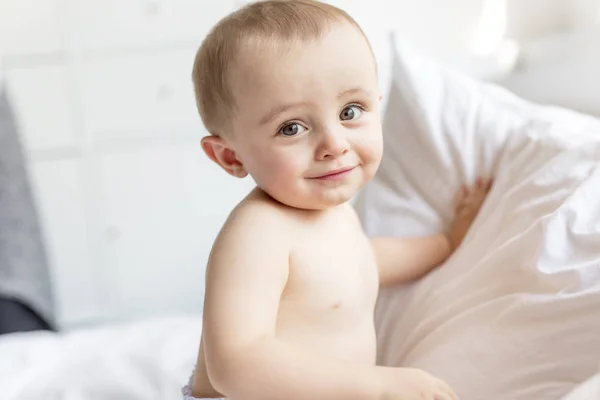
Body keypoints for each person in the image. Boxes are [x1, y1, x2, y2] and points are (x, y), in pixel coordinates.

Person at [183, 1, 492, 399]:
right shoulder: (257, 233)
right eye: (291, 127)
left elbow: (361, 263)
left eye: (350, 110)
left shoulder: (333, 214)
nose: (334, 144)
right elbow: (236, 363)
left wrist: (446, 242)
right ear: (231, 156)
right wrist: (381, 385)